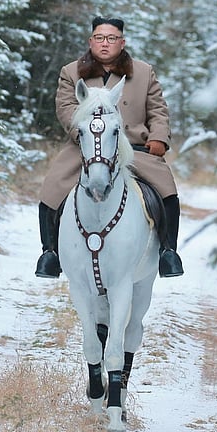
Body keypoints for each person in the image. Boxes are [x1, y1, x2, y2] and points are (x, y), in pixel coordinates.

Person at [35, 16, 184, 279]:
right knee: (52, 189)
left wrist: (159, 137)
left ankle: (167, 252)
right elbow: (66, 109)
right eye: (100, 38)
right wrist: (84, 133)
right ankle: (50, 253)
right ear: (91, 41)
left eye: (112, 38)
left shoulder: (143, 72)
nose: (105, 44)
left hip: (135, 148)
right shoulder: (71, 73)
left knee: (167, 193)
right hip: (86, 147)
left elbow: (158, 110)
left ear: (122, 42)